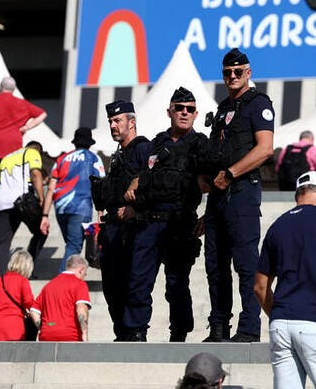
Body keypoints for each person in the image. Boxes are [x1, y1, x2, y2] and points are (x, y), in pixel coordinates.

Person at [254, 171, 316, 389]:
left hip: (280, 324)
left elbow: (260, 287)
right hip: (315, 319)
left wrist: (280, 314)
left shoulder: (277, 226)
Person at [123, 87, 208, 342]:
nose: (184, 113)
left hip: (180, 222)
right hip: (149, 221)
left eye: (189, 109)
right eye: (179, 108)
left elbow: (215, 180)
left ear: (195, 114)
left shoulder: (200, 144)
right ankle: (136, 331)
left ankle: (179, 332)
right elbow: (143, 174)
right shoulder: (157, 142)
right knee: (139, 279)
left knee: (176, 284)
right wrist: (132, 187)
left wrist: (208, 216)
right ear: (169, 111)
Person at [202, 48, 275, 343]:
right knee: (215, 265)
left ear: (249, 73)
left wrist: (231, 172)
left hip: (242, 191)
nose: (232, 76)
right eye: (227, 72)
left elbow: (265, 148)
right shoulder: (222, 108)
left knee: (245, 264)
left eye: (238, 71)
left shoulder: (258, 103)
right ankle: (219, 327)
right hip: (218, 196)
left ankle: (248, 328)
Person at [90, 100, 150, 341]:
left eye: (117, 121)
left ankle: (134, 331)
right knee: (112, 285)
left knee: (131, 283)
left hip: (133, 229)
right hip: (113, 227)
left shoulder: (142, 149)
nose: (113, 126)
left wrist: (137, 209)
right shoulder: (118, 155)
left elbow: (151, 181)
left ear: (131, 122)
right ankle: (122, 331)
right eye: (110, 122)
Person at [40, 127, 105, 271]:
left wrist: (45, 215)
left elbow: (51, 188)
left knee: (71, 243)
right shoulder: (94, 158)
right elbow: (99, 185)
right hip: (80, 207)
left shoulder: (61, 159)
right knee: (74, 246)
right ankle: (63, 284)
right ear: (90, 143)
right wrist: (101, 209)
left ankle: (69, 279)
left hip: (61, 208)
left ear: (75, 143)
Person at [0, 76, 47, 194]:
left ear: (0, 87)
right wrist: (26, 127)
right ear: (14, 89)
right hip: (14, 148)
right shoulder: (22, 104)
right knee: (12, 181)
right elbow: (42, 114)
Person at [0, 141, 47, 279]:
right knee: (42, 230)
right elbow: (35, 174)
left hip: (4, 203)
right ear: (38, 150)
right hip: (23, 201)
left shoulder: (6, 157)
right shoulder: (32, 153)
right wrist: (41, 198)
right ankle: (26, 269)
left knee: (3, 241)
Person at [29, 255, 91, 342]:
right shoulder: (79, 284)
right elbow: (81, 309)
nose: (84, 277)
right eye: (85, 274)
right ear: (81, 270)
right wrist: (84, 334)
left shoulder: (48, 286)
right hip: (71, 335)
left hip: (47, 335)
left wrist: (43, 327)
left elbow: (33, 311)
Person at [0, 250, 34, 341]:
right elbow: (29, 302)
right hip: (13, 326)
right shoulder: (22, 281)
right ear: (27, 267)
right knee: (14, 354)